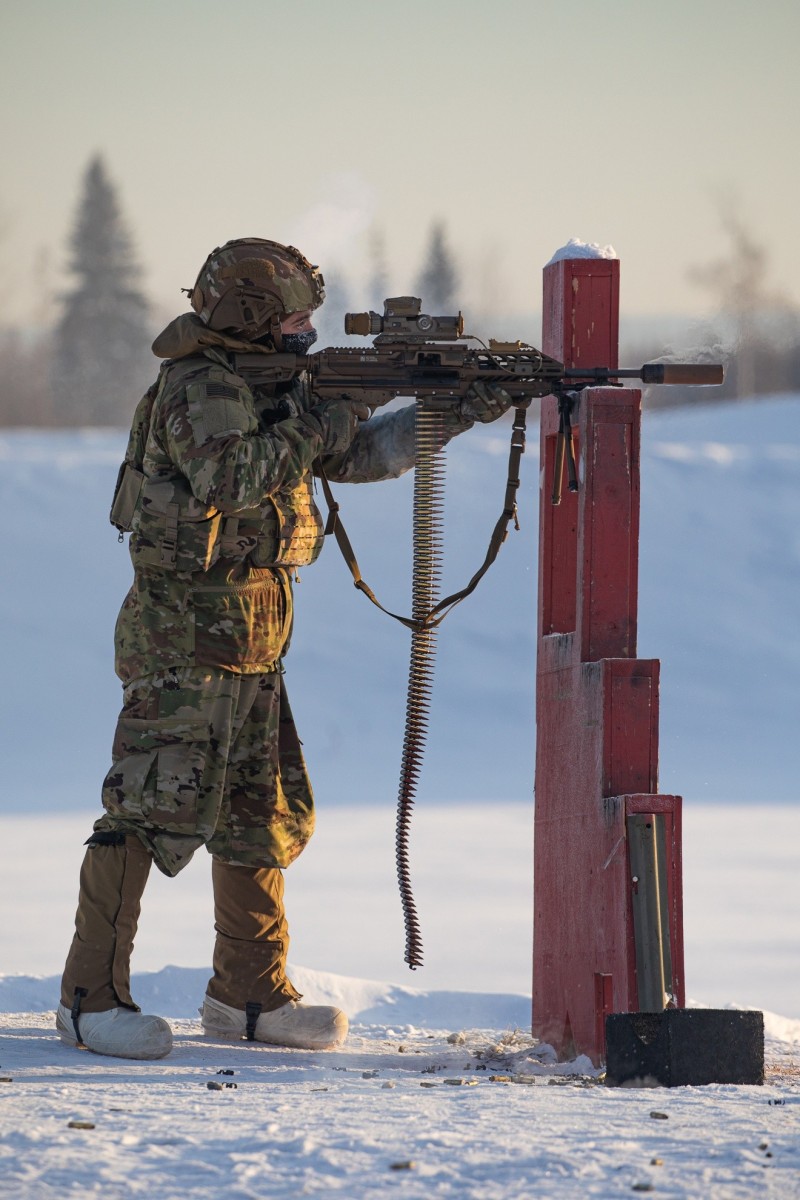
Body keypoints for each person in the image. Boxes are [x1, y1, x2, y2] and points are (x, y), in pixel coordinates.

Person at [56, 238, 512, 1059]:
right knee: (148, 807)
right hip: (184, 644)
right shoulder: (201, 389)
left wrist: (454, 411)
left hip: (256, 647)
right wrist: (326, 415)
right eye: (295, 315)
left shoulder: (276, 391)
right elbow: (234, 479)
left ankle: (249, 998)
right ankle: (90, 1000)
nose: (308, 330)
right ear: (251, 317)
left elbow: (361, 454)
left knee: (258, 817)